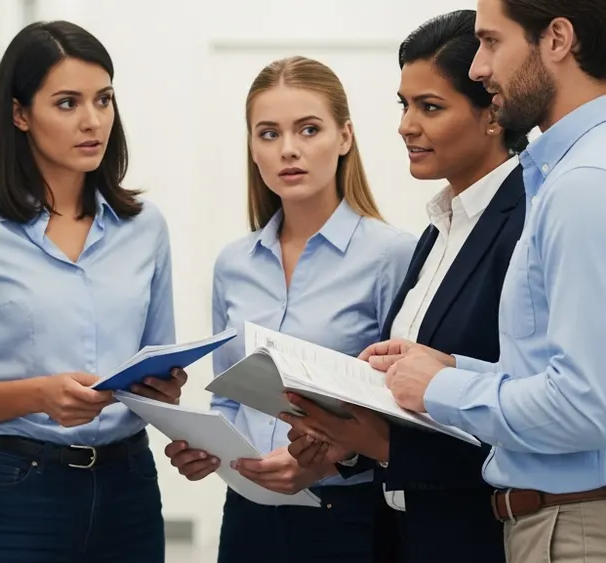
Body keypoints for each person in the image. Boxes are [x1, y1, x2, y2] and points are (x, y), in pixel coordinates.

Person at [0, 20, 181, 563]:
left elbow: (159, 366)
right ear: (20, 114)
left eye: (103, 100)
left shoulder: (146, 228)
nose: (93, 121)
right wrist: (40, 395)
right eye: (67, 103)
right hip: (18, 490)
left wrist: (168, 394)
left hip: (129, 484)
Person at [279, 10, 530, 563]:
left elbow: (526, 410)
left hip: (478, 535)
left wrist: (381, 444)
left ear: (492, 112)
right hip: (402, 533)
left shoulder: (526, 222)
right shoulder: (437, 231)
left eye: (429, 107)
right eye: (404, 104)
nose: (405, 125)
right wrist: (345, 441)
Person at [361, 0, 606, 561]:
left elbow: (587, 405)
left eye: (492, 42)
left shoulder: (583, 183)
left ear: (558, 39)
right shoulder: (564, 176)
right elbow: (554, 369)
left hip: (572, 522)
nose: (479, 67)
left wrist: (439, 388)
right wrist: (450, 368)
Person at [163, 55, 416, 563]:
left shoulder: (393, 256)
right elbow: (229, 396)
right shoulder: (233, 263)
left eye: (308, 129)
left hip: (349, 517)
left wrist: (325, 462)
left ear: (345, 137)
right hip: (248, 513)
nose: (289, 150)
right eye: (269, 134)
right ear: (252, 147)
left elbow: (406, 414)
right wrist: (209, 449)